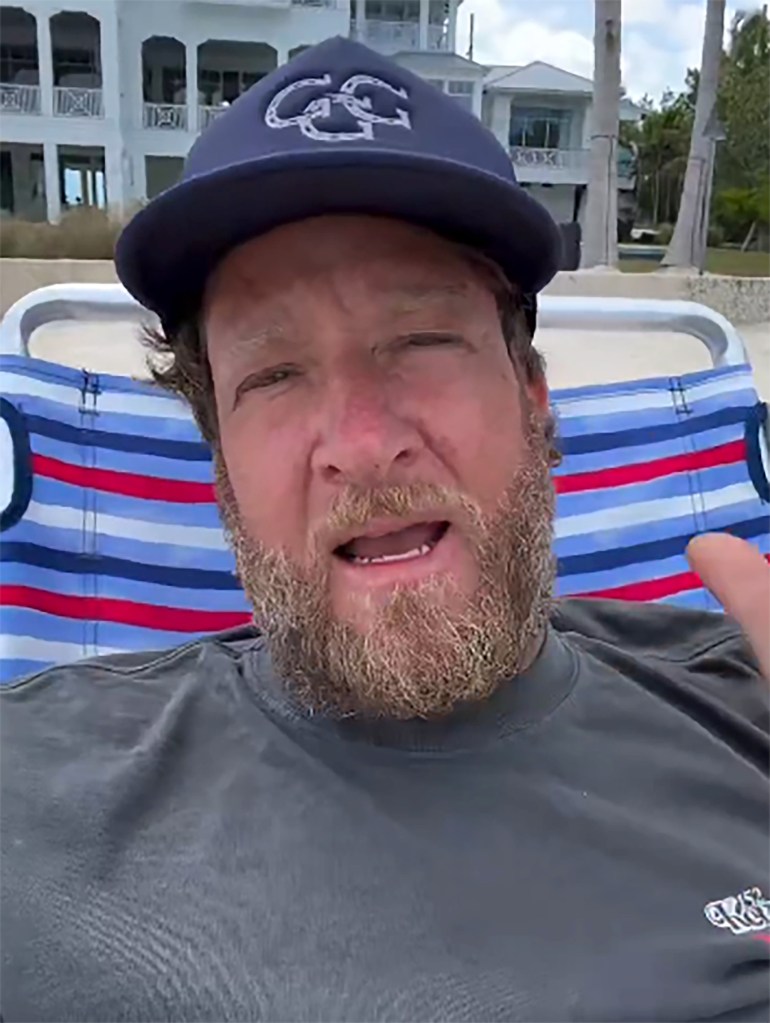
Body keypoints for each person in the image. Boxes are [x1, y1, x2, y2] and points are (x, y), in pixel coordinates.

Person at [2, 36, 768, 1023]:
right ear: (220, 460)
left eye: (421, 340)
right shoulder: (35, 788)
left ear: (533, 397)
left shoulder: (739, 703)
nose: (363, 446)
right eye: (274, 374)